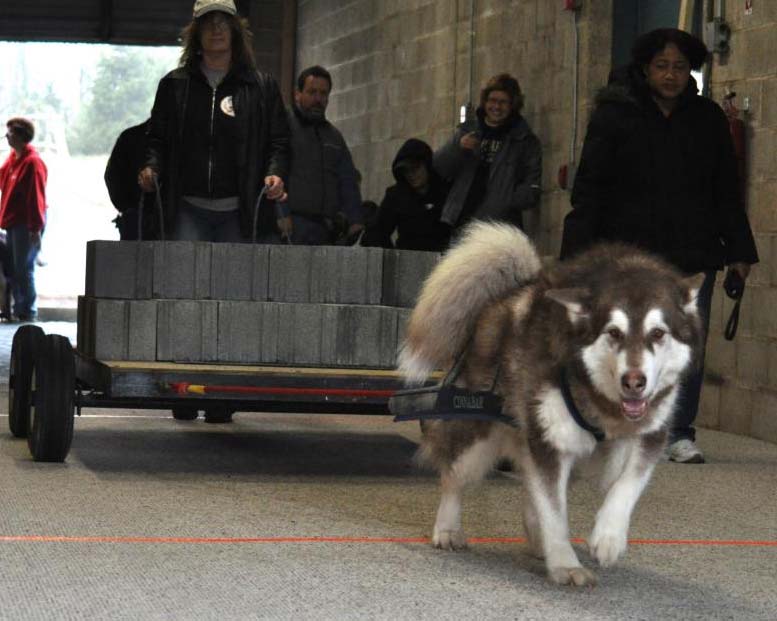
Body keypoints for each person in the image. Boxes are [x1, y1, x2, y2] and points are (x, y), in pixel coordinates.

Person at [560, 28, 759, 464]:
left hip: (691, 254)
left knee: (683, 342)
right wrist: (575, 257)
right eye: (662, 66)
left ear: (692, 72)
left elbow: (726, 188)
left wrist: (741, 251)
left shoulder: (707, 119)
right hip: (627, 257)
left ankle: (676, 430)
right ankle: (613, 422)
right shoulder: (615, 115)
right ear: (645, 69)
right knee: (622, 339)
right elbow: (589, 190)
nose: (671, 75)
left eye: (680, 67)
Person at [139, 0, 289, 243]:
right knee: (183, 279)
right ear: (196, 34)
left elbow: (279, 141)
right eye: (208, 23)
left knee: (235, 280)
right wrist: (151, 167)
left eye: (223, 23)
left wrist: (276, 173)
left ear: (235, 31)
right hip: (185, 209)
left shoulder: (261, 87)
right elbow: (156, 138)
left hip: (241, 211)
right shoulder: (174, 85)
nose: (216, 29)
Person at [433, 73, 541, 233]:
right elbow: (439, 167)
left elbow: (532, 187)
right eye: (492, 101)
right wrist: (458, 147)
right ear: (485, 102)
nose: (497, 107)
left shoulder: (524, 141)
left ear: (513, 105)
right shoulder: (468, 130)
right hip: (461, 222)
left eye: (503, 102)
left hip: (499, 228)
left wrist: (506, 203)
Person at [280, 65, 364, 244]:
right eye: (312, 92)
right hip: (292, 225)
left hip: (325, 229)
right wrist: (282, 213)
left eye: (323, 94)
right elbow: (275, 173)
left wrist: (355, 221)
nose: (318, 99)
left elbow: (347, 180)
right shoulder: (284, 127)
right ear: (297, 94)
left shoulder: (334, 137)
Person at [361, 138, 451, 251]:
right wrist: (392, 258)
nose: (411, 175)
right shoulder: (396, 196)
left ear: (427, 166)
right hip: (406, 259)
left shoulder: (444, 192)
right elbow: (377, 232)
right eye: (406, 171)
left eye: (415, 168)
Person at [0, 117, 47, 322]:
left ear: (20, 135)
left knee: (23, 268)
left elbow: (36, 197)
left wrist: (35, 228)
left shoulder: (32, 163)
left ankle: (28, 310)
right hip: (12, 222)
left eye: (10, 132)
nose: (7, 135)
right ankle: (19, 308)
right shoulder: (13, 159)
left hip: (26, 224)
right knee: (14, 267)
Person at [105, 119, 158, 240]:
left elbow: (111, 176)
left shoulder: (130, 136)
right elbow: (112, 177)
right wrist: (129, 208)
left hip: (136, 215)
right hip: (136, 217)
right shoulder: (130, 138)